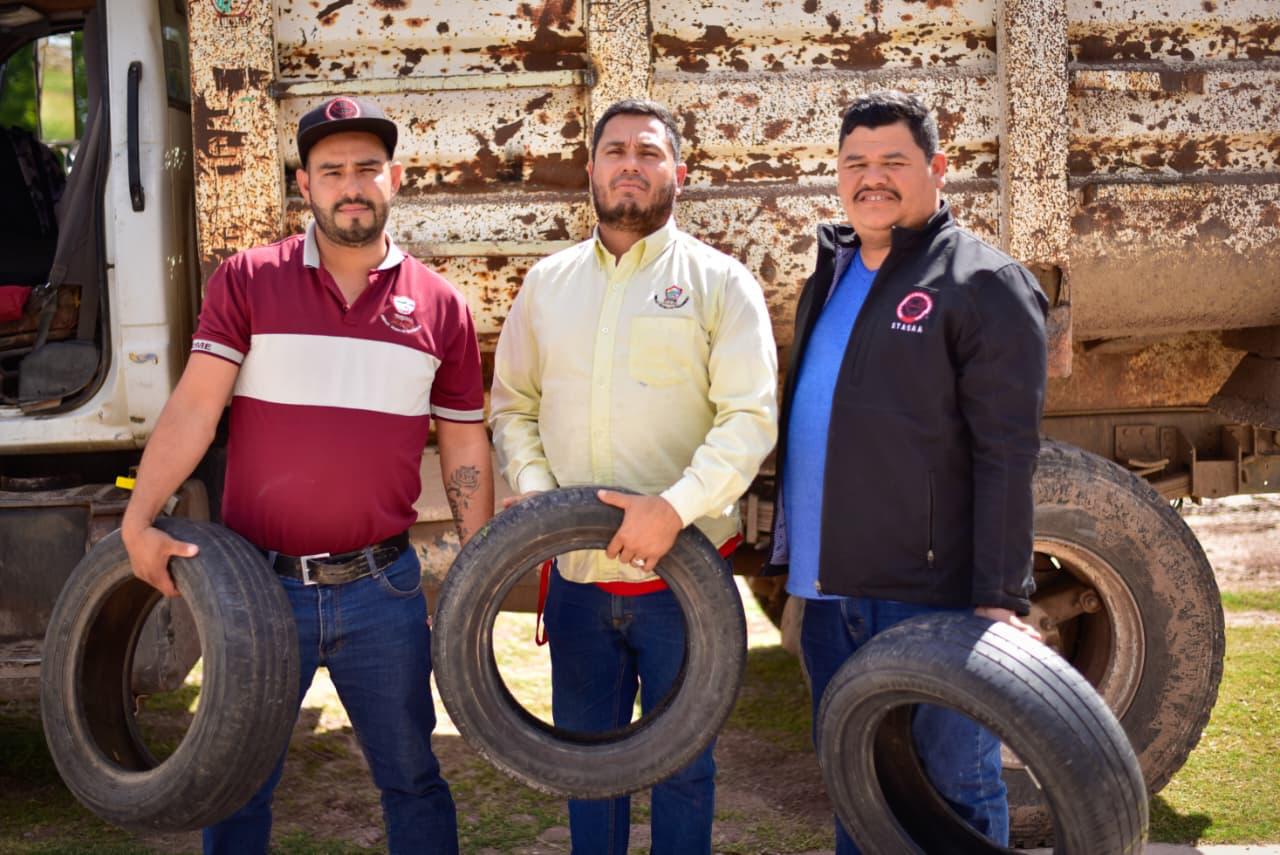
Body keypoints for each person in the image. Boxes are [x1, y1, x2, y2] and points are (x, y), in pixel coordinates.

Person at [120, 96, 492, 855]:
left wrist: (481, 562)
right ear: (305, 184)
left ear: (395, 178)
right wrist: (139, 516)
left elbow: (463, 445)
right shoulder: (247, 280)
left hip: (382, 591)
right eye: (332, 171)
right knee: (236, 782)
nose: (351, 186)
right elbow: (195, 408)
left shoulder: (442, 306)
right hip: (258, 588)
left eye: (367, 168)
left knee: (413, 778)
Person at [489, 98, 777, 855]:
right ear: (590, 170)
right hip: (578, 583)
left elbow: (747, 420)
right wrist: (539, 494)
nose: (630, 165)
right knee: (589, 770)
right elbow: (512, 405)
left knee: (684, 769)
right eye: (615, 151)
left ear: (678, 172)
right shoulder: (547, 284)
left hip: (684, 585)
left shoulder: (721, 283)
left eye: (649, 153)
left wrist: (673, 508)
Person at [766, 90, 1048, 852]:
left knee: (953, 789)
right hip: (828, 597)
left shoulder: (984, 282)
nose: (872, 178)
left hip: (935, 598)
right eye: (855, 163)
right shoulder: (829, 276)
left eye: (894, 160)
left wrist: (997, 597)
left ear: (937, 168)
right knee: (860, 789)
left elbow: (1007, 452)